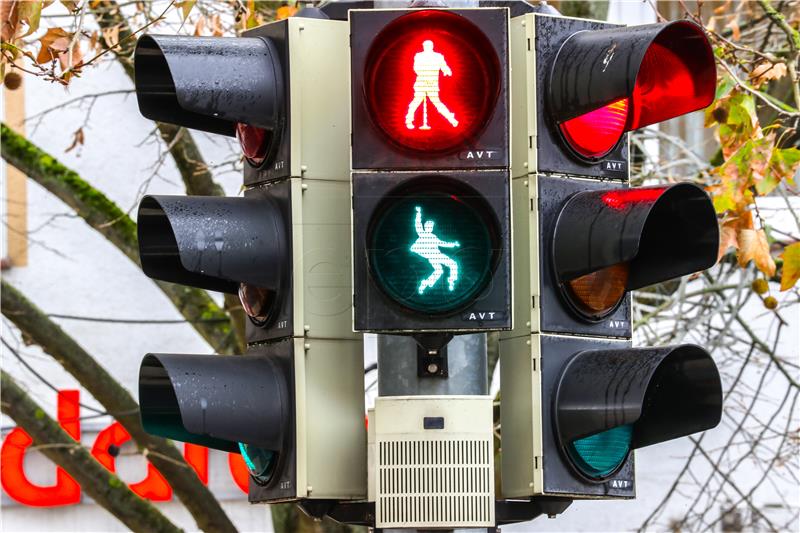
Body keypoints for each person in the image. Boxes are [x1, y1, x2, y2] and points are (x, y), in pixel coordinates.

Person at [405, 40, 458, 130]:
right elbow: (416, 68)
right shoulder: (419, 56)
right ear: (423, 46)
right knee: (416, 102)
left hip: (433, 85)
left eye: (429, 45)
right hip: (421, 83)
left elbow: (444, 66)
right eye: (425, 45)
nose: (427, 47)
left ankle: (452, 119)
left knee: (437, 103)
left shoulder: (438, 56)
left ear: (432, 46)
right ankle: (408, 120)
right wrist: (425, 77)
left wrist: (447, 71)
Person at [410, 206, 460, 294]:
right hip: (434, 256)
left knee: (441, 270)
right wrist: (418, 213)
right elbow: (417, 224)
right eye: (428, 226)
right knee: (451, 265)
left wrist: (453, 244)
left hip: (437, 255)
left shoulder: (433, 237)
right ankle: (449, 281)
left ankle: (427, 283)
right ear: (425, 227)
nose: (430, 228)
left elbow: (443, 243)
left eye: (431, 226)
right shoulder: (422, 234)